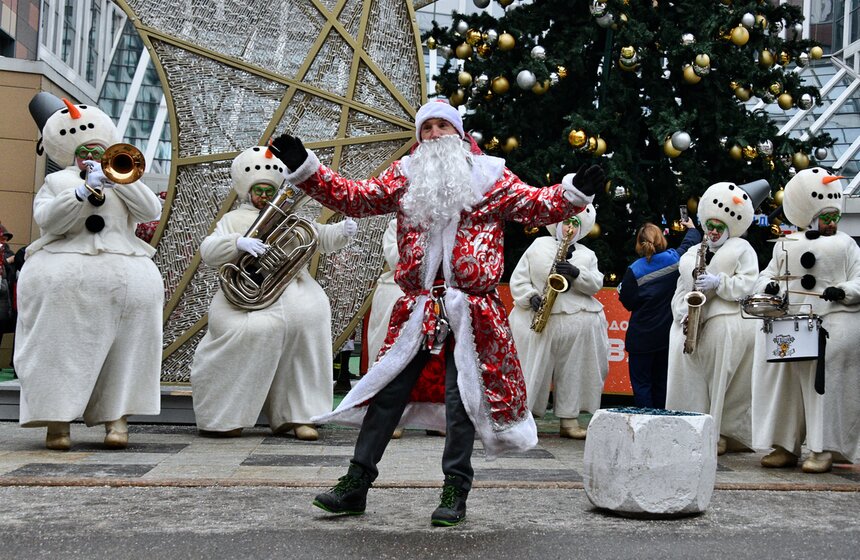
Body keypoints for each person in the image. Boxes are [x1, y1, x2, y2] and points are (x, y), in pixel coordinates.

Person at [270, 99, 604, 526]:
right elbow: (356, 198)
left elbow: (537, 205)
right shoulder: (406, 178)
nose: (433, 136)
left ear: (460, 134)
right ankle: (355, 485)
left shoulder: (491, 179)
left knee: (461, 398)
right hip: (418, 307)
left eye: (442, 127)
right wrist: (307, 169)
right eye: (425, 129)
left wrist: (575, 192)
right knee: (388, 393)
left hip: (472, 312)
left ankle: (455, 491)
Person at [16, 92, 163, 450]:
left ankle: (118, 417)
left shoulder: (124, 175)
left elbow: (149, 212)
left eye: (98, 151)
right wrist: (82, 192)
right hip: (67, 261)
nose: (92, 158)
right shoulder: (58, 182)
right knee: (60, 346)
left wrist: (122, 184)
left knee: (127, 347)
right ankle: (58, 420)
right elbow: (47, 221)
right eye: (85, 153)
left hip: (123, 262)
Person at [190, 146, 357, 441]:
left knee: (307, 320)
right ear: (247, 191)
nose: (265, 196)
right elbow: (208, 249)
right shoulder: (233, 219)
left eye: (270, 189)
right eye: (259, 190)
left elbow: (318, 237)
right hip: (246, 297)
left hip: (293, 288)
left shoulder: (290, 216)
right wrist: (238, 243)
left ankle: (300, 415)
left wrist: (343, 230)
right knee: (257, 331)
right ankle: (226, 415)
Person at [752, 168, 860, 473]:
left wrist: (844, 291)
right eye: (824, 216)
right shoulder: (786, 244)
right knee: (783, 388)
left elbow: (859, 280)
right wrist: (769, 288)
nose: (830, 223)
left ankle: (822, 447)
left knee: (822, 389)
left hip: (830, 323)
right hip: (790, 326)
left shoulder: (847, 245)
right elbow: (767, 276)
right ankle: (785, 444)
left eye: (833, 216)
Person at [665, 180, 768, 456]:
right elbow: (679, 291)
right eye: (709, 226)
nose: (712, 232)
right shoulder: (691, 253)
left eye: (718, 228)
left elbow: (748, 283)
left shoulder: (742, 250)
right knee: (690, 382)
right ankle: (689, 427)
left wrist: (719, 282)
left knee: (725, 383)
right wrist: (682, 312)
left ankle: (722, 432)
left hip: (726, 323)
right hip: (692, 326)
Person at [508, 205, 608, 439]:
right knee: (532, 369)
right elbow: (519, 278)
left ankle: (569, 420)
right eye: (565, 222)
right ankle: (525, 417)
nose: (569, 227)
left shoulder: (587, 255)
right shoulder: (538, 245)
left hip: (577, 318)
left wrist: (576, 274)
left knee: (574, 371)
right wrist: (530, 297)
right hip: (542, 319)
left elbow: (595, 284)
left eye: (574, 223)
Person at [618, 218, 700, 409]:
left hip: (641, 338)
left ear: (639, 243)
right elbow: (689, 244)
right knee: (662, 384)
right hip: (666, 337)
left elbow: (628, 302)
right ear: (661, 240)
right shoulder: (675, 260)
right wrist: (692, 229)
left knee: (642, 386)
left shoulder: (634, 270)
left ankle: (644, 427)